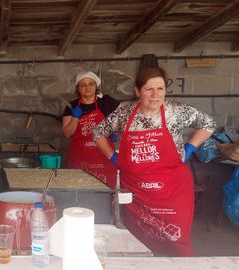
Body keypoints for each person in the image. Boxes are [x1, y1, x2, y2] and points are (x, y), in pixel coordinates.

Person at [93, 67, 216, 256]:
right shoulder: (124, 114)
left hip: (172, 190)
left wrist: (191, 147)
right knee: (137, 241)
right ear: (137, 91)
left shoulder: (176, 110)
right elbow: (98, 132)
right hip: (137, 191)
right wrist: (113, 157)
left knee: (176, 239)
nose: (155, 95)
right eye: (148, 89)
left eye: (160, 88)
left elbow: (208, 124)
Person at [62, 71, 121, 188]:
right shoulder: (72, 106)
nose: (87, 88)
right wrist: (75, 118)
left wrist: (116, 131)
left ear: (96, 86)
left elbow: (125, 117)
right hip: (79, 159)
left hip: (103, 157)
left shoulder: (107, 102)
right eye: (83, 85)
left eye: (91, 84)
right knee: (78, 192)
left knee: (104, 192)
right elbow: (67, 133)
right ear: (77, 88)